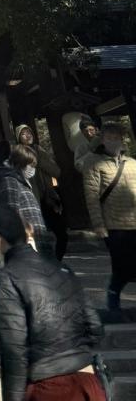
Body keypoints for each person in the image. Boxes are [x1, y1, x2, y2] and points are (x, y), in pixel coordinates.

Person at [0, 202, 105, 401]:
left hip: (51, 392)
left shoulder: (7, 279)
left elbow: (14, 350)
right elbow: (96, 327)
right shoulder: (61, 268)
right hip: (89, 384)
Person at [81, 118, 136, 311]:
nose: (114, 141)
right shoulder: (93, 162)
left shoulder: (132, 163)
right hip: (114, 225)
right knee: (121, 269)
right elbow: (91, 197)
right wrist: (98, 224)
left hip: (134, 222)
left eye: (117, 137)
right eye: (109, 137)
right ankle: (114, 305)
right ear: (102, 139)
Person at [14, 124, 66, 262]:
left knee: (61, 233)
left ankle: (56, 261)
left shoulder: (39, 150)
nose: (27, 135)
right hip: (31, 200)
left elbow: (56, 171)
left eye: (29, 132)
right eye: (23, 133)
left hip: (48, 198)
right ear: (18, 137)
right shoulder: (17, 153)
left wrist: (39, 161)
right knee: (35, 235)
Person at [0, 147, 47, 255]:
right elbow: (11, 213)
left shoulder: (23, 182)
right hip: (25, 243)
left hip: (35, 240)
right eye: (30, 165)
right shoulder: (10, 181)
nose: (32, 169)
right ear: (21, 163)